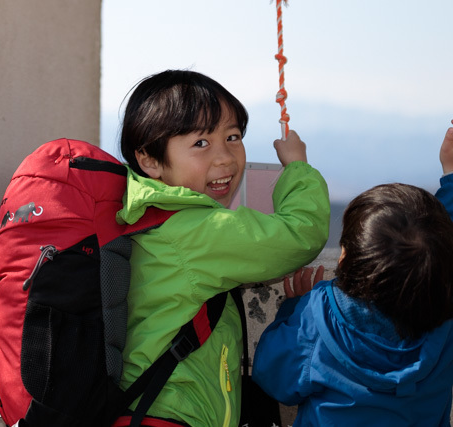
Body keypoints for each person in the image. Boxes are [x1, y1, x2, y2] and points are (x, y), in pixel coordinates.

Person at [116, 69, 330, 427]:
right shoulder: (196, 231)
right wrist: (297, 167)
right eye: (201, 143)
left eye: (232, 137)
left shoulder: (147, 216)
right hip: (174, 417)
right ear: (150, 159)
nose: (226, 158)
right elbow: (300, 235)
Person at [251, 119, 453, 426]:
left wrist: (292, 309)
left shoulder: (319, 317)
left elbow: (273, 376)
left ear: (345, 261)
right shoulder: (452, 304)